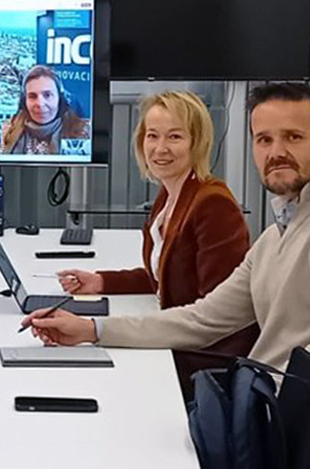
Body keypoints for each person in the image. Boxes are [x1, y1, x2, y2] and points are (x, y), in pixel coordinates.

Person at [24, 83, 310, 385]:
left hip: (281, 421)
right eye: (264, 139)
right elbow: (202, 318)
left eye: (294, 137)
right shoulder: (281, 233)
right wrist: (91, 329)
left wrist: (252, 414)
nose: (276, 152)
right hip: (256, 394)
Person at [56, 91, 256, 394]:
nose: (160, 148)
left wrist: (97, 331)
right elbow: (164, 279)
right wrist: (100, 282)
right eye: (152, 136)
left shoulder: (213, 204)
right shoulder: (170, 194)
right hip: (176, 340)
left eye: (175, 137)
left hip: (203, 365)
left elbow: (216, 318)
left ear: (197, 142)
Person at [1, 65, 90, 155]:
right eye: (32, 96)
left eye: (47, 95)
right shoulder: (9, 130)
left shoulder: (85, 132)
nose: (40, 104)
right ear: (24, 102)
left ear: (60, 99)